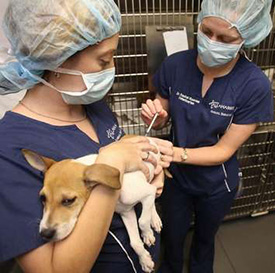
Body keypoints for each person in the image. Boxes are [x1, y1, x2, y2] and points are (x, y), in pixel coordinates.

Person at [0, 0, 174, 272]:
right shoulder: (10, 149)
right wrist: (112, 164)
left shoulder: (90, 105)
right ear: (56, 59)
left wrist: (148, 163)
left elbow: (123, 145)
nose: (111, 69)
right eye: (103, 60)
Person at [141, 0, 274, 272]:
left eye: (226, 38)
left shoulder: (254, 85)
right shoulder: (176, 64)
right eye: (207, 31)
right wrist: (155, 117)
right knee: (172, 234)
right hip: (175, 177)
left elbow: (224, 150)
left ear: (245, 39)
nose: (212, 42)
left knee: (204, 238)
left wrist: (175, 153)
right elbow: (160, 115)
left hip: (217, 182)